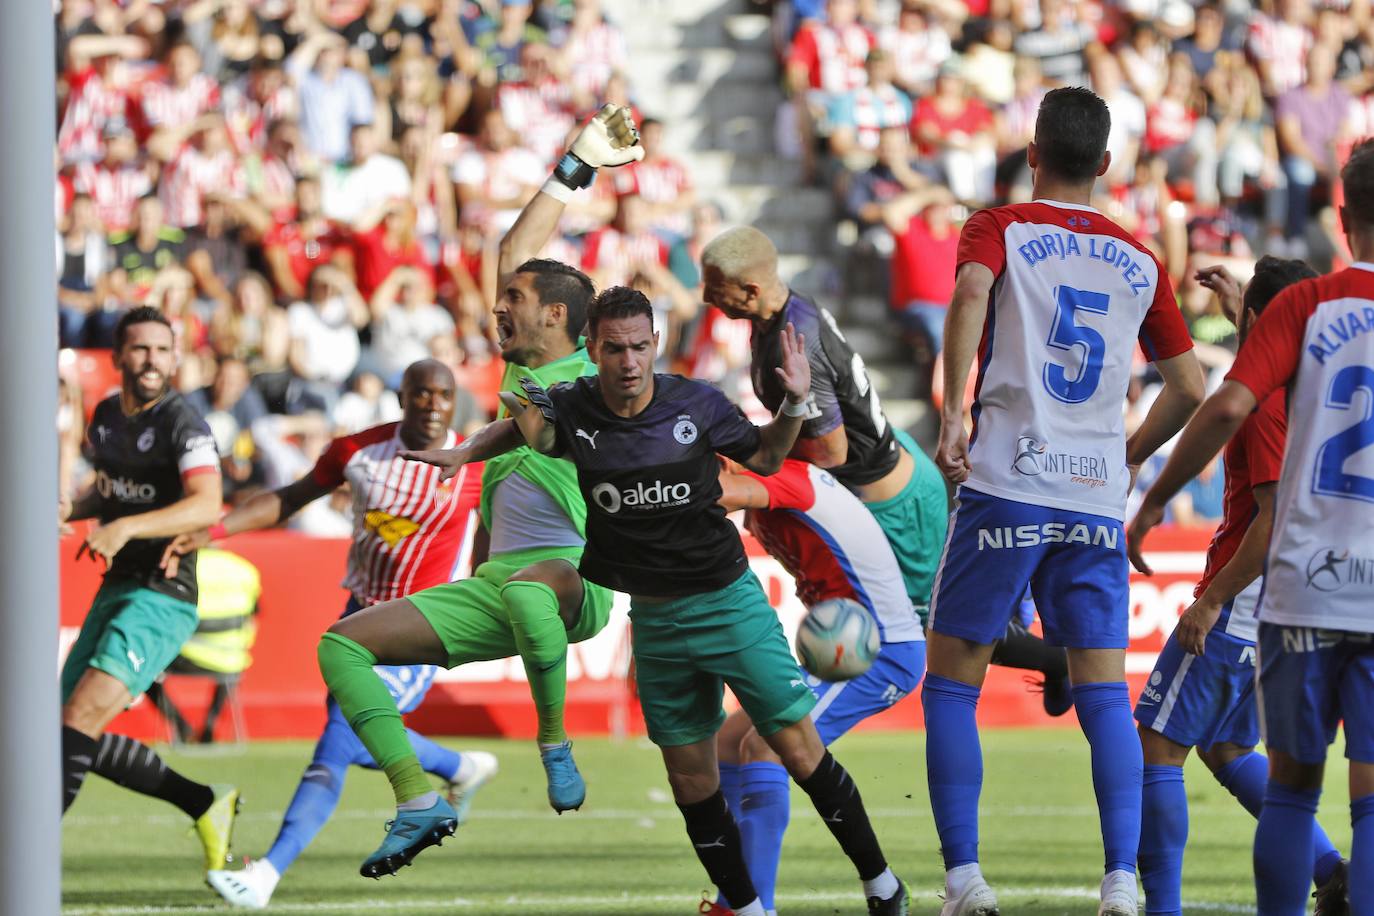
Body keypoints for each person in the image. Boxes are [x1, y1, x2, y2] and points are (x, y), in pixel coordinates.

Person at [405, 287, 911, 916]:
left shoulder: (697, 404)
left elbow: (770, 454)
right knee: (691, 781)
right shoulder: (575, 406)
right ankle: (748, 909)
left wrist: (798, 401)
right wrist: (463, 452)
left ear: (656, 344)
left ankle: (882, 884)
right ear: (593, 350)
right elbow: (522, 425)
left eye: (639, 347)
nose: (628, 361)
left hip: (728, 602)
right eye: (614, 348)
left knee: (800, 750)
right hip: (655, 620)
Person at [313, 105, 641, 879]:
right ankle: (416, 799)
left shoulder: (596, 380)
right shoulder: (524, 372)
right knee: (341, 647)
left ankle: (554, 743)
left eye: (514, 304)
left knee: (532, 593)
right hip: (495, 584)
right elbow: (515, 248)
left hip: (575, 582)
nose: (498, 306)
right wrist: (579, 158)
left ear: (556, 317)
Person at [924, 87, 1205, 916]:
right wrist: (1124, 456)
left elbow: (972, 294)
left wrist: (949, 414)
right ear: (1107, 164)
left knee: (951, 684)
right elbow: (1188, 385)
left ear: (1033, 152)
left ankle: (966, 881)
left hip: (1008, 479)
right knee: (1104, 693)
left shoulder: (999, 226)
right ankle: (1122, 882)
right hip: (1090, 498)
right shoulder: (1141, 256)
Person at [1128, 138, 1374, 916]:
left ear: (1341, 215)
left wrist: (1156, 491)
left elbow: (1237, 400)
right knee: (1350, 790)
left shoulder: (1304, 316)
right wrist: (1248, 307)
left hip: (1291, 593)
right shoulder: (1304, 324)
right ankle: (1339, 876)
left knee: (1252, 773)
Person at [699, 201, 1069, 712]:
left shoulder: (796, 342)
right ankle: (1019, 612)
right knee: (948, 616)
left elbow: (831, 451)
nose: (705, 298)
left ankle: (1057, 659)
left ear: (751, 290)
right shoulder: (778, 319)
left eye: (715, 289)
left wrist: (762, 458)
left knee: (942, 625)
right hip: (890, 476)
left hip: (894, 501)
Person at [161, 359, 497, 909]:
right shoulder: (357, 453)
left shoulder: (475, 465)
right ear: (401, 397)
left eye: (443, 395)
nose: (433, 405)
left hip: (422, 626)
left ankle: (267, 872)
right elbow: (290, 497)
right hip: (358, 617)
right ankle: (460, 768)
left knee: (337, 743)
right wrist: (216, 529)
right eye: (421, 393)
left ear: (453, 400)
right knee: (361, 739)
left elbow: (493, 534)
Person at [58, 306, 240, 873]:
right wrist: (73, 506)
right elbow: (110, 492)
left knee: (74, 724)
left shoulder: (183, 423)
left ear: (176, 356)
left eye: (162, 350)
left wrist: (127, 526)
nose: (152, 361)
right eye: (140, 349)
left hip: (163, 595)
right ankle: (203, 803)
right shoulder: (107, 414)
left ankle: (21, 859)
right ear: (117, 358)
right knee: (61, 732)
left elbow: (208, 503)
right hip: (116, 586)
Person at [702, 457, 926, 916]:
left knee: (767, 748)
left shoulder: (783, 476)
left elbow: (714, 496)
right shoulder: (769, 491)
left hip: (880, 648)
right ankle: (741, 898)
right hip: (845, 642)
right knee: (727, 742)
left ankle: (752, 907)